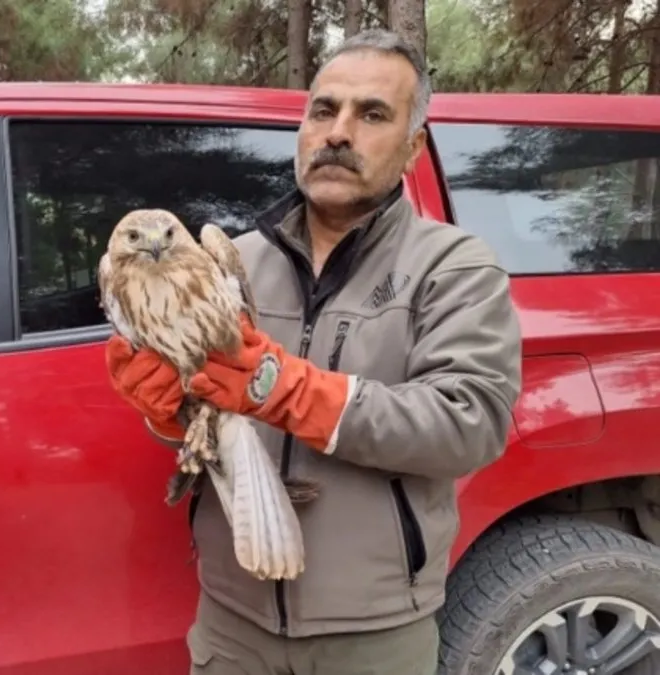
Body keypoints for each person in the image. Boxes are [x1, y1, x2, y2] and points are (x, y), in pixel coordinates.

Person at [104, 28, 524, 675]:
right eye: (323, 110)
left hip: (372, 632)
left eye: (372, 113)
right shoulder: (231, 257)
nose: (337, 131)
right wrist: (169, 415)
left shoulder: (453, 266)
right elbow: (212, 409)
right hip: (231, 617)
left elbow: (469, 424)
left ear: (413, 148)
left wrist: (297, 392)